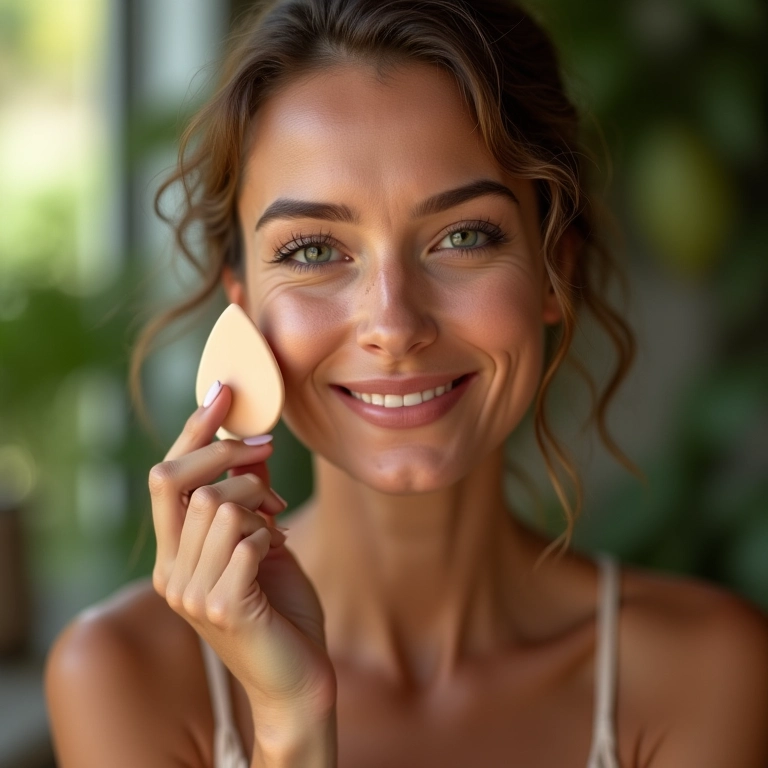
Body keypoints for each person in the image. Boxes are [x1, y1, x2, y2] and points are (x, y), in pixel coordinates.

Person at [45, 0, 768, 766]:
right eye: (316, 250)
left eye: (463, 236)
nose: (393, 323)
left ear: (557, 269)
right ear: (243, 299)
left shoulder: (703, 672)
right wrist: (292, 722)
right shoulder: (124, 678)